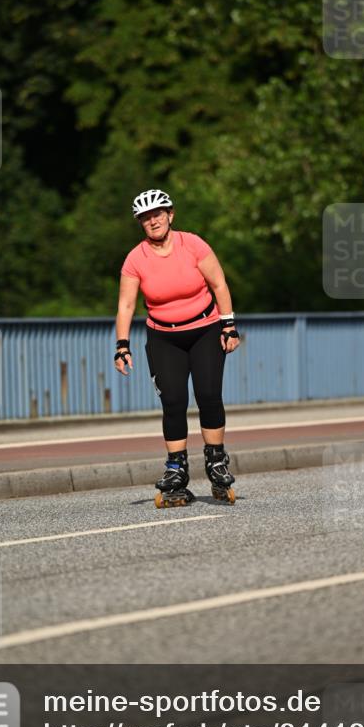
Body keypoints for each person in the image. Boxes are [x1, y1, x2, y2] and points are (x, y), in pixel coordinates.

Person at [114, 189, 241, 506]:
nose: (153, 221)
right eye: (145, 217)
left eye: (157, 214)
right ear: (141, 223)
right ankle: (176, 470)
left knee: (208, 394)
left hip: (205, 330)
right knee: (173, 401)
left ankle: (216, 462)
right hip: (164, 337)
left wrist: (228, 325)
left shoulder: (193, 244)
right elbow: (126, 305)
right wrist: (122, 345)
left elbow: (219, 284)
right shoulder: (135, 259)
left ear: (170, 215)